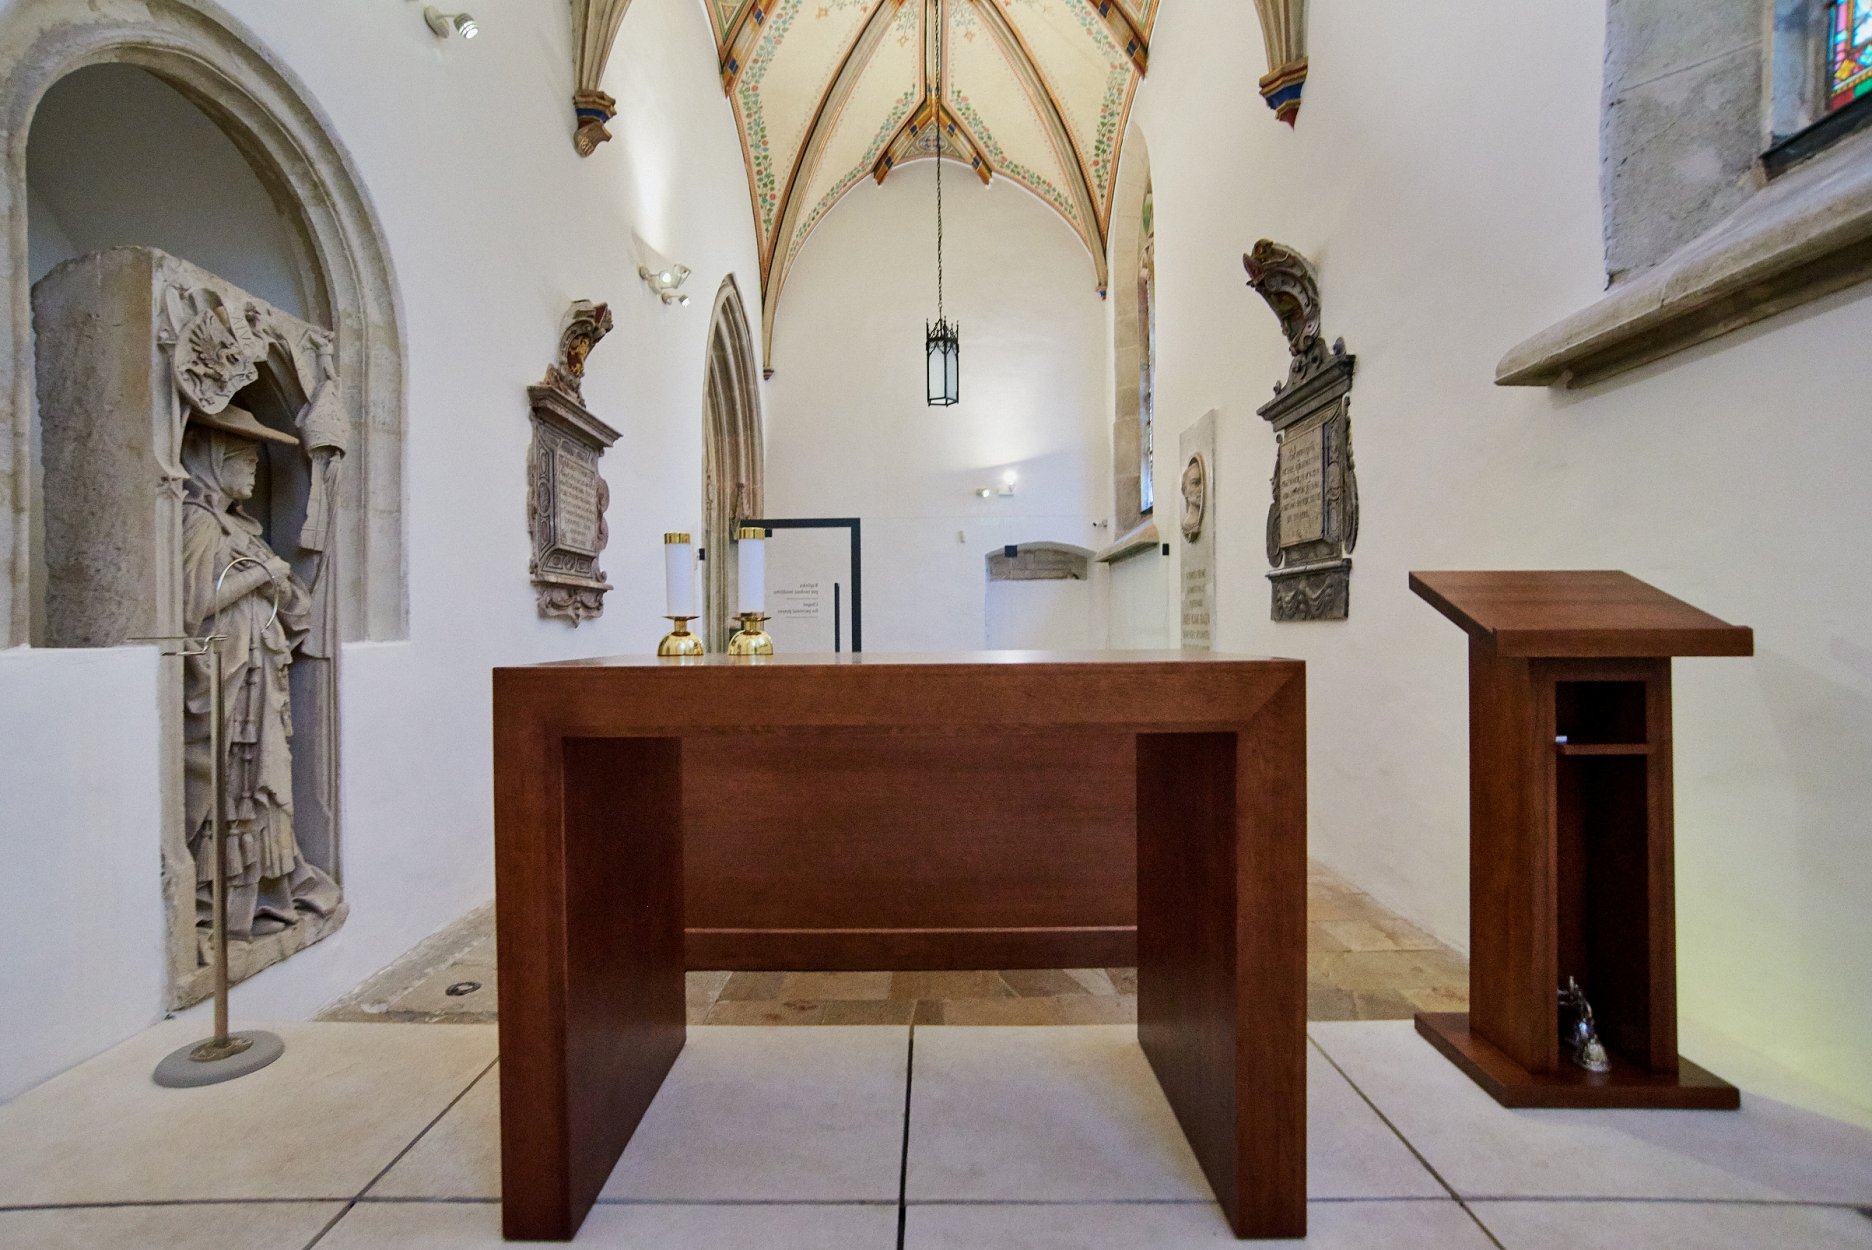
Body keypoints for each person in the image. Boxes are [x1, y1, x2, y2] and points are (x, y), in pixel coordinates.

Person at [179, 406, 340, 943]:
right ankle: (221, 899)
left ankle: (267, 889)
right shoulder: (199, 522)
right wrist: (261, 576)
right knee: (230, 786)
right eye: (243, 458)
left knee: (263, 786)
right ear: (213, 458)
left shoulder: (241, 528)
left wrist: (280, 586)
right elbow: (192, 607)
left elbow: (280, 597)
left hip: (258, 672)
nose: (253, 468)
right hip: (224, 675)